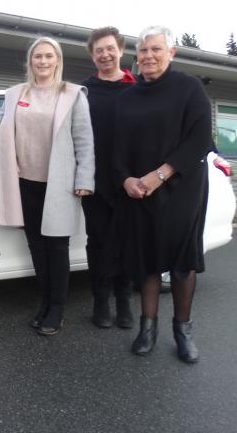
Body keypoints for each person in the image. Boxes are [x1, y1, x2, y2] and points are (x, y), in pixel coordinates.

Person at [0, 36, 94, 336]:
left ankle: (57, 308)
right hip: (24, 182)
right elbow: (0, 130)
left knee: (56, 248)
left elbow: (84, 141)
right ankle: (44, 302)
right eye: (37, 57)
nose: (42, 61)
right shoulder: (17, 93)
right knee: (37, 248)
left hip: (60, 184)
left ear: (58, 60)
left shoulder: (72, 94)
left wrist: (84, 179)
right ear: (30, 62)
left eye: (48, 56)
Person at [114, 26, 212, 363]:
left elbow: (200, 139)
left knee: (183, 263)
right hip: (139, 192)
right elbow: (116, 149)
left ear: (171, 52)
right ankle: (148, 328)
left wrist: (160, 174)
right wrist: (126, 179)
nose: (149, 56)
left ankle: (182, 330)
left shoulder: (189, 88)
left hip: (183, 187)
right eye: (143, 51)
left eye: (156, 49)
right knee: (147, 261)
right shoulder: (126, 97)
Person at [81, 27, 136, 329]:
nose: (105, 54)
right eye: (98, 50)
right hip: (95, 180)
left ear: (120, 50)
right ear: (92, 55)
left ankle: (124, 300)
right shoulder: (84, 91)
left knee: (127, 241)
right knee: (98, 242)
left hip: (130, 180)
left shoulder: (137, 87)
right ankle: (101, 301)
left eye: (109, 48)